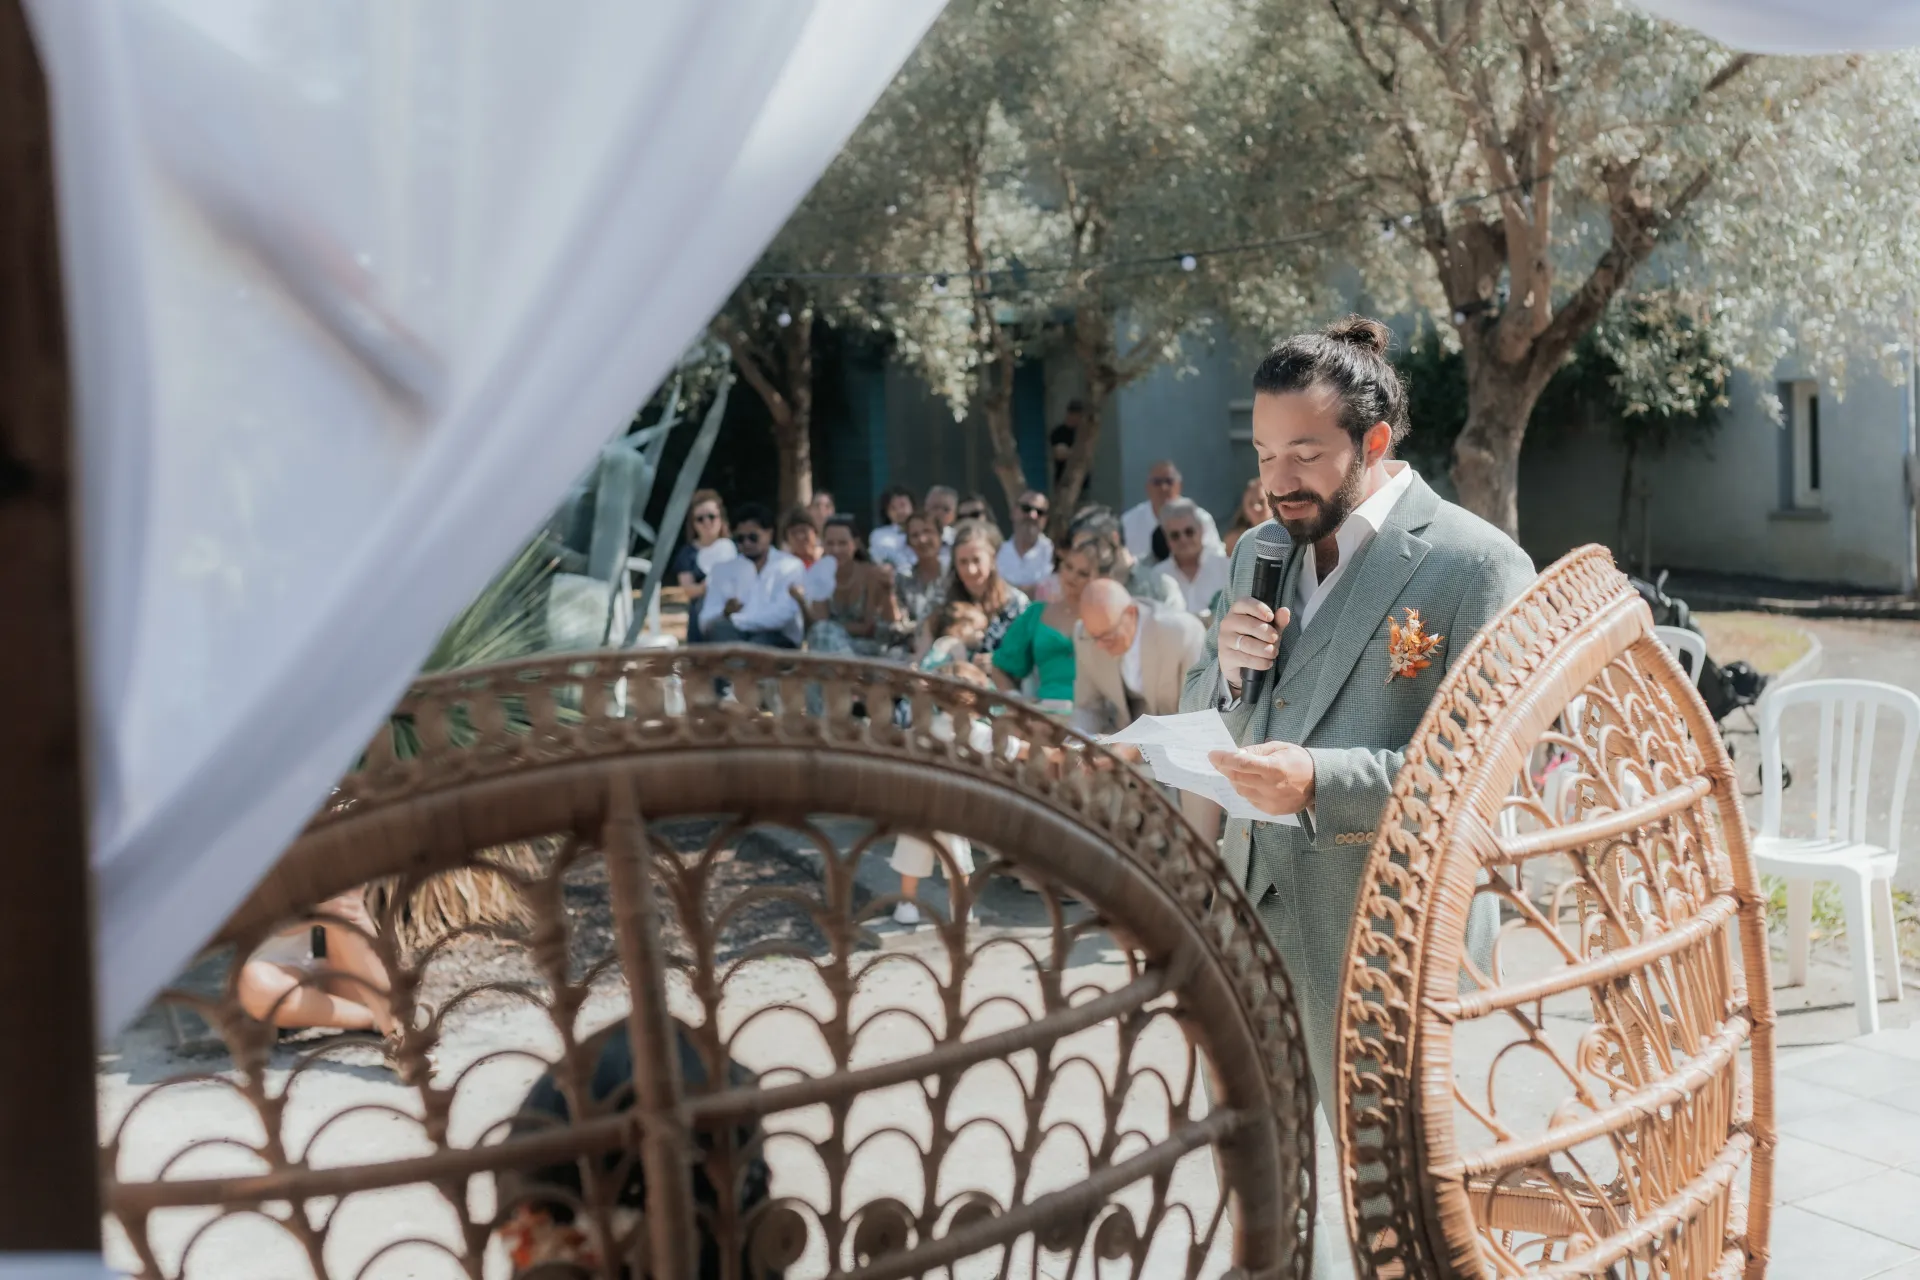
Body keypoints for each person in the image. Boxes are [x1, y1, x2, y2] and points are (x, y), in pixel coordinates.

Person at [1183, 315, 1536, 1124]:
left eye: (1305, 454)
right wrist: (1229, 676)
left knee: (1383, 1197)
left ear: (1373, 441)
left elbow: (1485, 772)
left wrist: (1318, 782)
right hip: (1247, 921)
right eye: (1266, 455)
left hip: (1382, 940)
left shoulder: (1474, 564)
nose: (1280, 481)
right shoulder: (1258, 551)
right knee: (1266, 1179)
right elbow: (1212, 701)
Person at [237, 890, 398, 1039]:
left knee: (342, 905)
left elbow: (350, 906)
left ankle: (397, 1033)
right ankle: (373, 1018)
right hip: (279, 968)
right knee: (256, 985)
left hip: (347, 967)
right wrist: (316, 913)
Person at [1071, 578, 1205, 736]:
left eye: (1107, 636)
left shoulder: (1182, 634)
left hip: (1178, 744)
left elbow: (1196, 717)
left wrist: (1137, 745)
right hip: (1119, 741)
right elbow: (1089, 708)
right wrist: (1075, 741)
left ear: (1131, 613)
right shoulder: (1085, 637)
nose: (1099, 645)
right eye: (1094, 637)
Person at [990, 542, 1100, 717]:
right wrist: (1016, 699)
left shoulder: (1106, 618)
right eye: (1068, 567)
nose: (1071, 577)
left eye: (1083, 573)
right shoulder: (1036, 613)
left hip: (1095, 719)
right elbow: (1000, 668)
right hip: (1046, 717)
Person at [699, 503, 807, 648]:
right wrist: (724, 612)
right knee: (722, 632)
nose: (747, 543)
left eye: (753, 537)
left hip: (775, 637)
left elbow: (783, 615)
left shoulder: (790, 566)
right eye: (741, 539)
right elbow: (705, 619)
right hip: (735, 635)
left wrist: (737, 620)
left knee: (758, 644)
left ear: (769, 533)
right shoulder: (723, 570)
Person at [795, 515, 901, 656]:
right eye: (830, 544)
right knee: (821, 633)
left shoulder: (871, 574)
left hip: (868, 647)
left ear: (855, 544)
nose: (836, 550)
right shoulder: (820, 574)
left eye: (842, 543)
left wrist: (835, 627)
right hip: (828, 643)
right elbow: (821, 621)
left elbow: (868, 628)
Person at [1070, 506, 1182, 612]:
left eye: (1086, 546)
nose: (1082, 555)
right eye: (1077, 549)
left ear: (1114, 538)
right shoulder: (1083, 592)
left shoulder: (1159, 588)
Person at [944, 518, 1029, 657]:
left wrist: (995, 663)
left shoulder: (1016, 604)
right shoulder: (943, 598)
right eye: (963, 562)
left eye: (976, 560)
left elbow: (1025, 653)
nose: (970, 570)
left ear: (992, 559)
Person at [669, 490, 737, 645]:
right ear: (693, 524)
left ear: (721, 518)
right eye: (700, 519)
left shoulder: (735, 548)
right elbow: (689, 590)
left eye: (711, 517)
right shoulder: (687, 553)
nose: (707, 522)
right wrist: (709, 585)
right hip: (702, 611)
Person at [1121, 460, 1223, 563]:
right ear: (1147, 488)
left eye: (1169, 481)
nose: (1163, 488)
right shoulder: (1129, 521)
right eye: (1157, 482)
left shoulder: (1200, 518)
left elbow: (1216, 557)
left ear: (1179, 486)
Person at [1157, 497, 1232, 620]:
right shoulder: (1157, 576)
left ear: (1201, 530)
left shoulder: (1227, 569)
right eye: (1175, 535)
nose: (1183, 539)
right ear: (1166, 539)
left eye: (1189, 532)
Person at [893, 510, 949, 641]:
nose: (922, 540)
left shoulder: (953, 576)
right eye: (915, 535)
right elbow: (899, 623)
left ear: (940, 535)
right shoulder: (902, 580)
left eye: (927, 531)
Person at [996, 489, 1055, 590]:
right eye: (1026, 509)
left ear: (1045, 520)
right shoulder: (996, 552)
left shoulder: (1054, 554)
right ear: (1013, 512)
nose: (1033, 516)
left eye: (1040, 512)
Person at [868, 484, 919, 573]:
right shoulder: (879, 535)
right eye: (893, 508)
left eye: (903, 505)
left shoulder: (924, 532)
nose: (899, 511)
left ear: (912, 506)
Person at [1222, 476, 1270, 558]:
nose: (1256, 507)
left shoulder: (1287, 536)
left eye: (1261, 502)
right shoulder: (1236, 541)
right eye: (1251, 503)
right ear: (1244, 511)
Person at [1050, 399, 1089, 489]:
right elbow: (1059, 454)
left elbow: (1087, 455)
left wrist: (1071, 452)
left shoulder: (1082, 433)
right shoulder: (1058, 432)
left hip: (1081, 482)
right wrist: (1076, 453)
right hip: (1064, 481)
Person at [924, 485, 960, 550]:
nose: (939, 513)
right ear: (925, 508)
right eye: (935, 507)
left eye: (946, 509)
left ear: (954, 514)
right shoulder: (912, 539)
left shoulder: (959, 540)